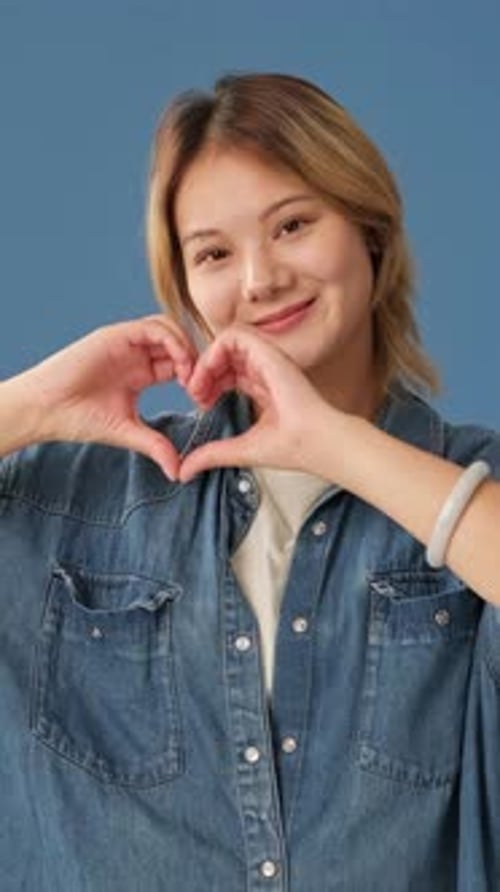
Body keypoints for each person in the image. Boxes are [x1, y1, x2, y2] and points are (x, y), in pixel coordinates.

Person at [0, 72, 499, 892]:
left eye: (293, 225)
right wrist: (30, 403)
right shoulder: (73, 504)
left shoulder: (468, 494)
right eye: (215, 254)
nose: (260, 279)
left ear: (370, 231)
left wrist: (335, 444)